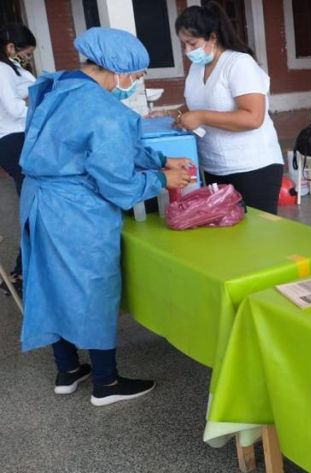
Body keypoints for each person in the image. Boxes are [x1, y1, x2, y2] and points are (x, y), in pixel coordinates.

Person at [19, 27, 193, 406]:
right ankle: (106, 382)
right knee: (94, 286)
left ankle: (67, 370)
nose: (134, 83)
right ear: (118, 70)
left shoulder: (57, 87)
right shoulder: (105, 111)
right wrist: (161, 179)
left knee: (49, 282)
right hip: (76, 209)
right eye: (136, 75)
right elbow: (118, 184)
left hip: (38, 202)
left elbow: (108, 148)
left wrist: (161, 159)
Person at [157, 0, 283, 214]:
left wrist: (201, 117)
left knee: (257, 232)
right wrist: (172, 113)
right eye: (183, 44)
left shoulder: (238, 64)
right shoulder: (197, 68)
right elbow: (197, 102)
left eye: (192, 43)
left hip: (253, 167)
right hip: (214, 166)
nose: (187, 50)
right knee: (225, 230)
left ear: (213, 37)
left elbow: (253, 118)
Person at [0, 22, 36, 295]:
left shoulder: (14, 69)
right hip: (13, 141)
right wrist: (40, 101)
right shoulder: (1, 69)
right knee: (33, 206)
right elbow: (14, 109)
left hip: (21, 138)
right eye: (26, 53)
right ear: (11, 47)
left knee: (34, 205)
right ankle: (21, 272)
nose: (28, 59)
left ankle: (23, 271)